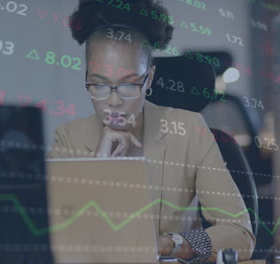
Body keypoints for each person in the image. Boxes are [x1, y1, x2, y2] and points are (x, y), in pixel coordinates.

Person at [48, 0, 255, 263]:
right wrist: (98, 170)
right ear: (86, 76)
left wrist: (171, 243)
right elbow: (60, 243)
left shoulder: (189, 130)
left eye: (129, 85)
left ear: (150, 79)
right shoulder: (68, 139)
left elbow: (240, 234)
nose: (113, 101)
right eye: (99, 85)